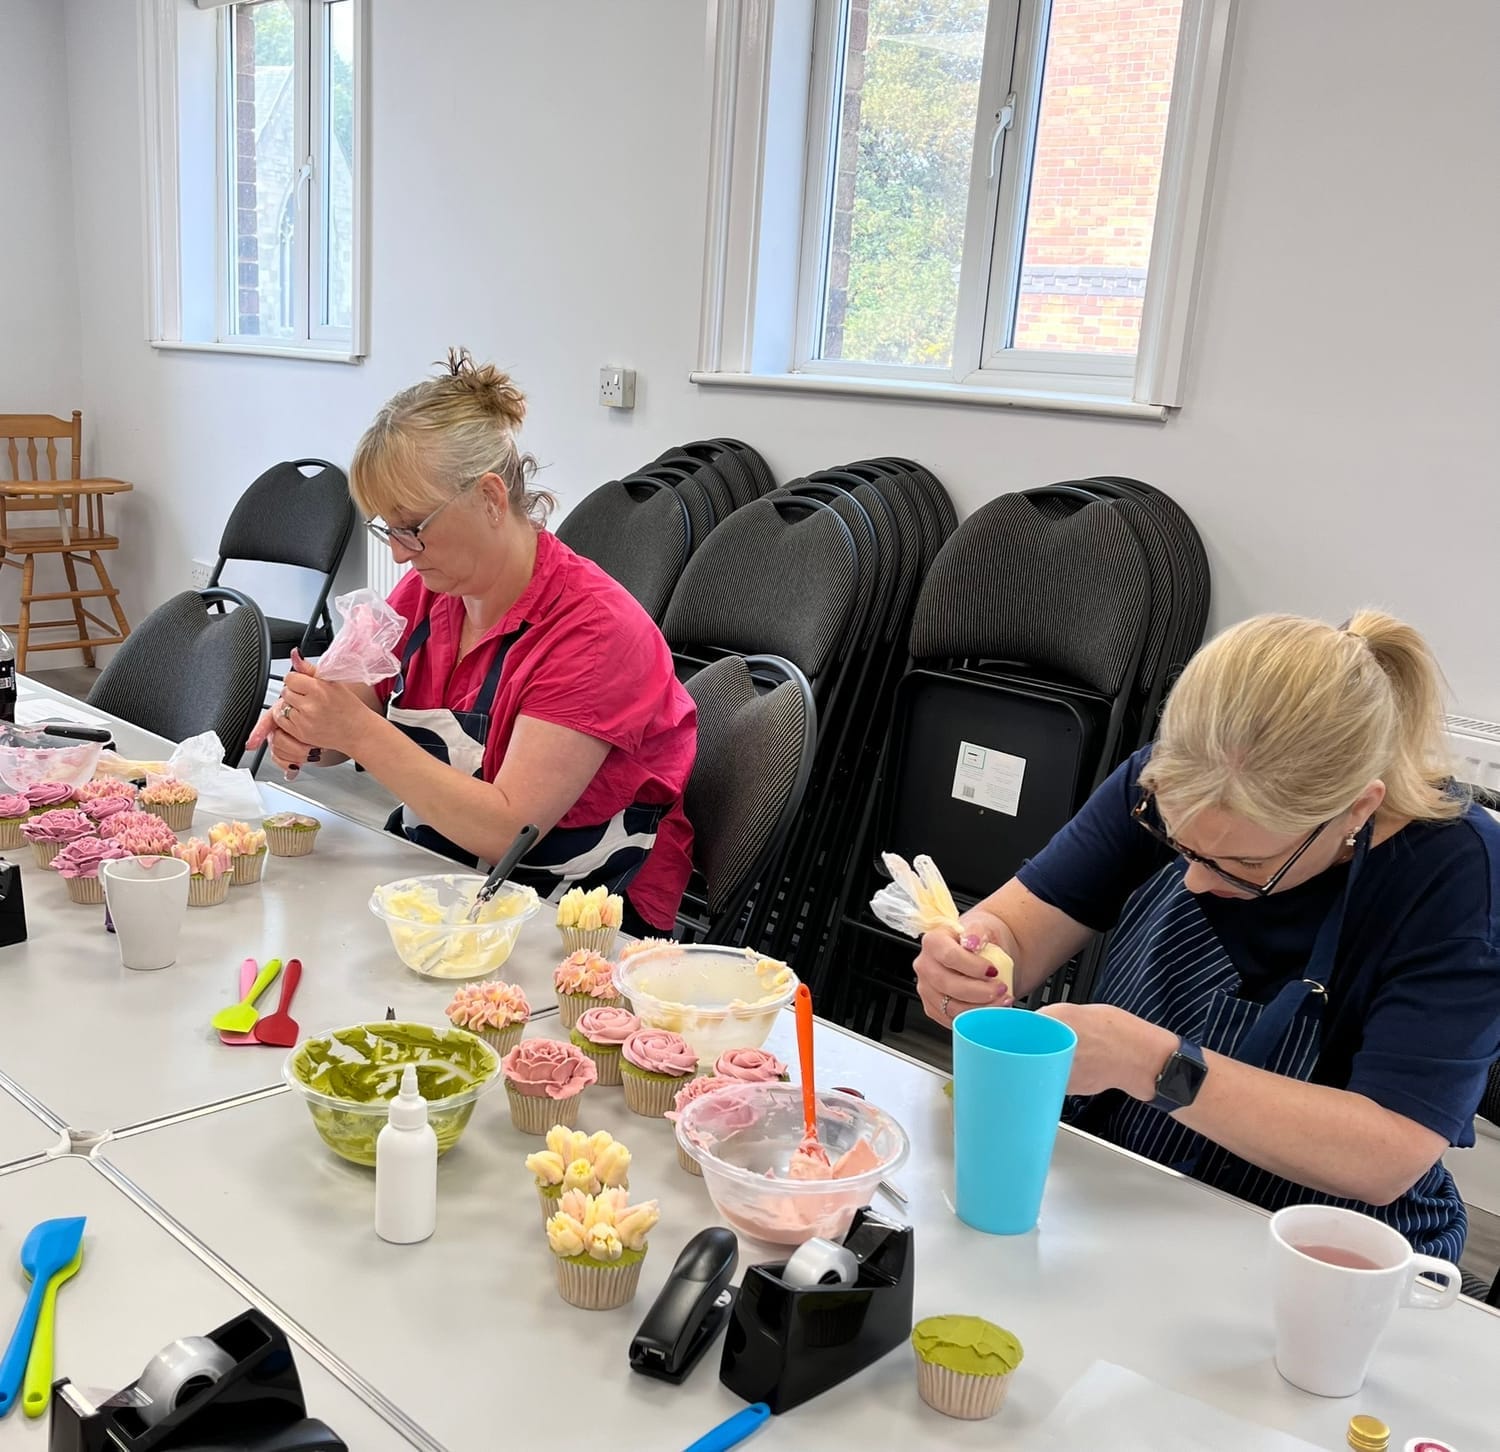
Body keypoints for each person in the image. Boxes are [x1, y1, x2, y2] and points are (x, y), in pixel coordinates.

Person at [913, 611, 1500, 1258]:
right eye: (1177, 842)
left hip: (1327, 1252)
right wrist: (970, 957)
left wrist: (1153, 1064)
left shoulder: (1457, 875)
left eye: (1243, 865)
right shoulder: (1175, 777)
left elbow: (1386, 1154)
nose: (1192, 882)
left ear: (1357, 809)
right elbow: (1015, 932)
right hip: (1129, 1182)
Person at [249, 349, 697, 936]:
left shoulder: (595, 633)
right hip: (445, 871)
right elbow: (359, 711)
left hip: (577, 919)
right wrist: (311, 728)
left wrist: (356, 731)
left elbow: (508, 829)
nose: (398, 552)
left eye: (413, 528)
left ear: (489, 498)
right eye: (387, 528)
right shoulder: (429, 590)